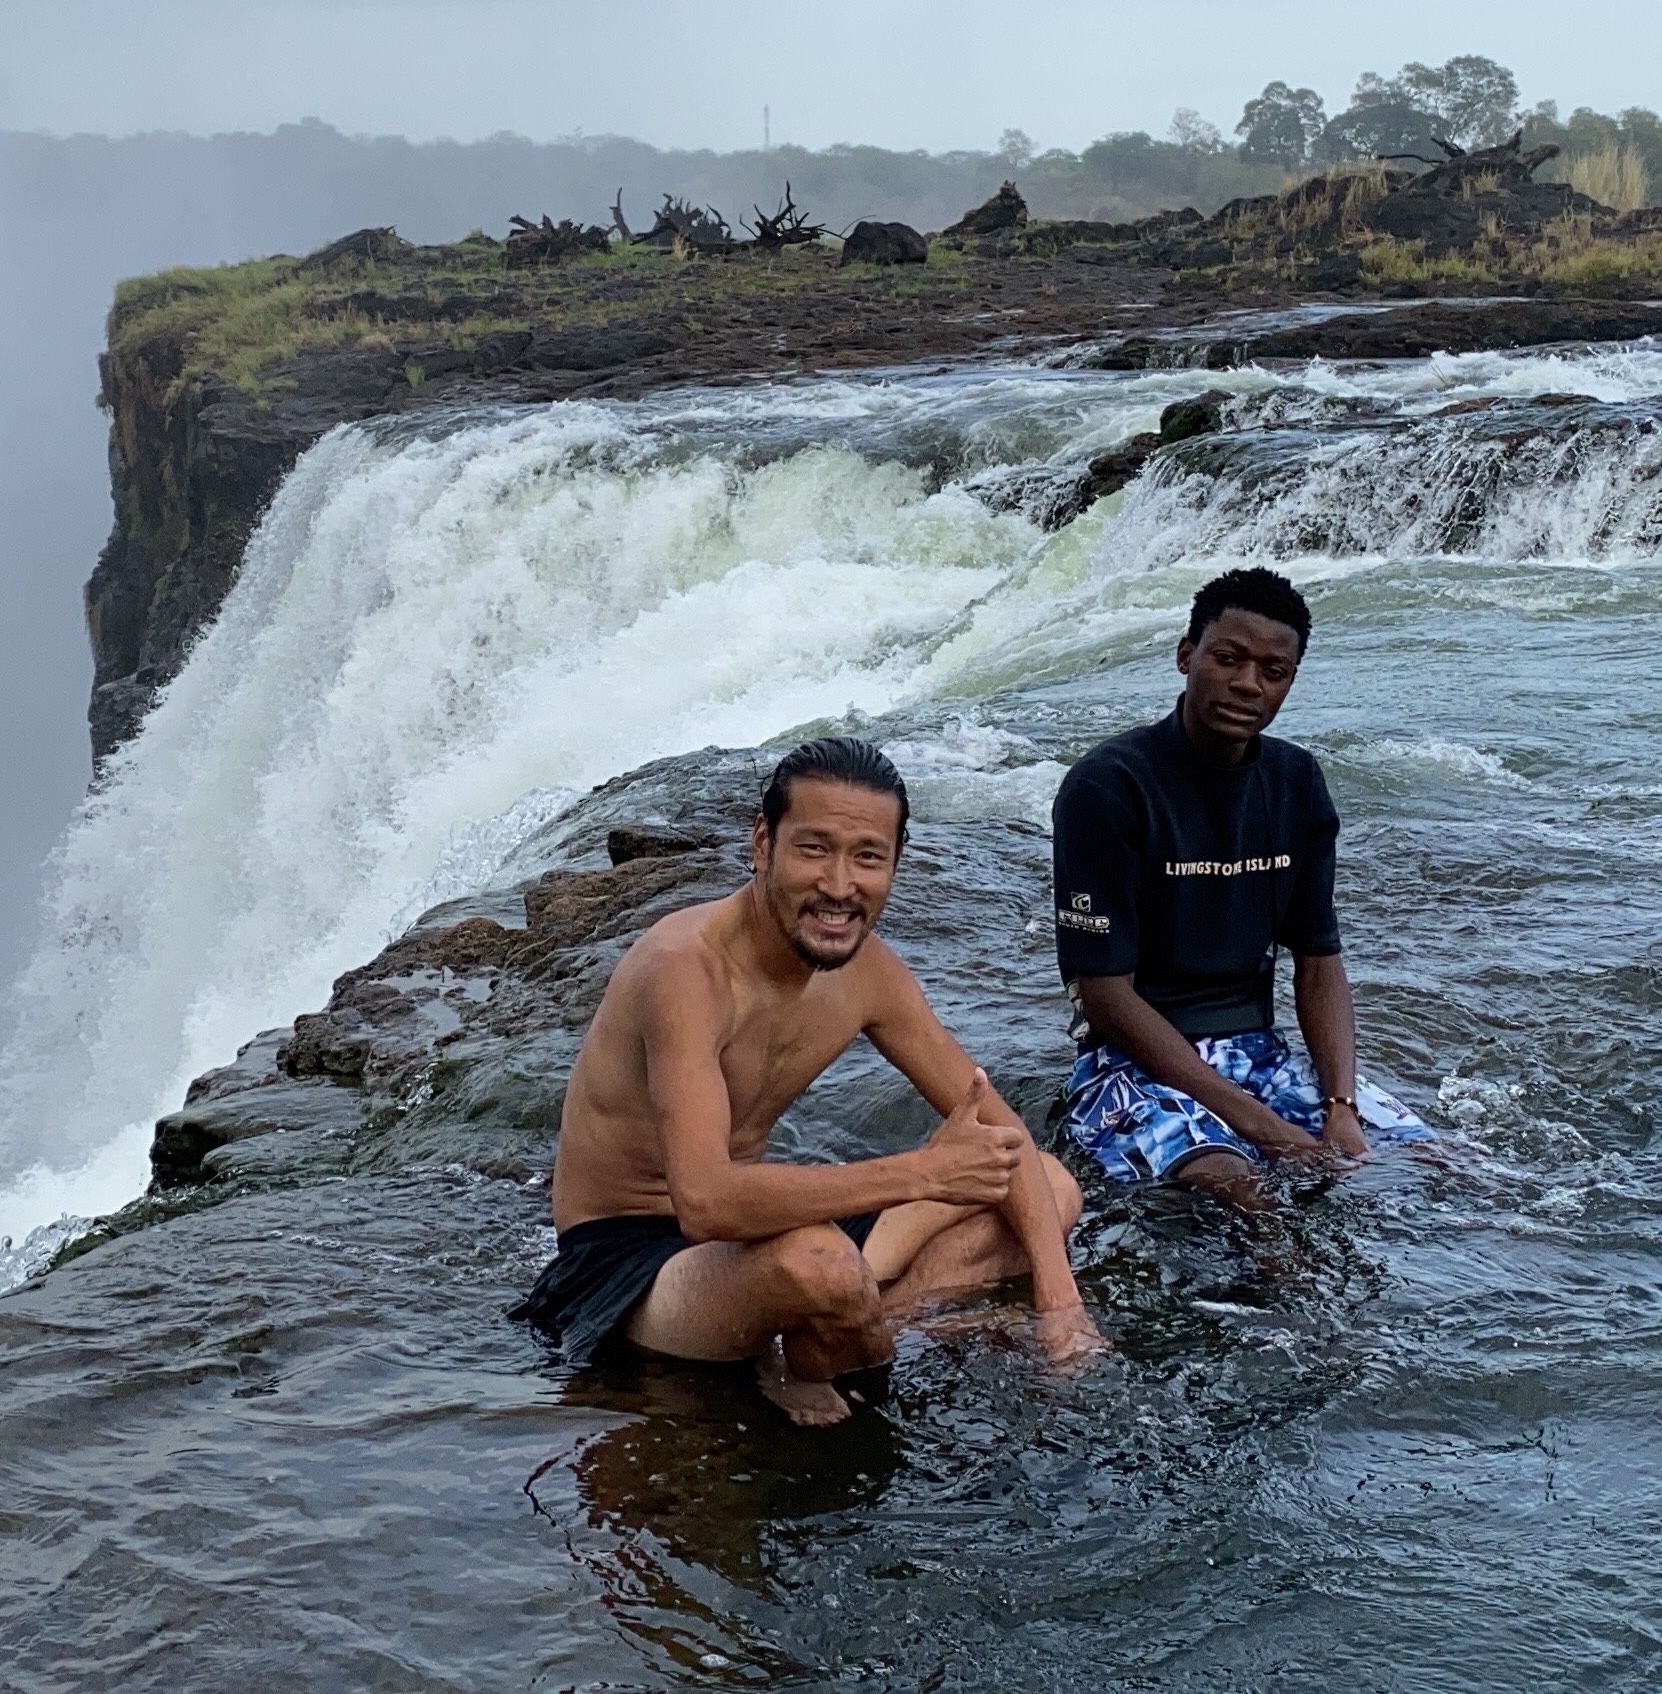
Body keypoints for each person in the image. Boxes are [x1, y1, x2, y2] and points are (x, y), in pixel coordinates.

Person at [515, 736, 1102, 1424]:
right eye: (814, 849)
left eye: (867, 858)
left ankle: (852, 1329)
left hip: (750, 1236)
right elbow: (704, 1203)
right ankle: (859, 1330)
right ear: (762, 843)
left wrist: (1061, 1306)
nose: (839, 885)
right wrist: (924, 1173)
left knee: (1051, 1186)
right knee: (819, 1263)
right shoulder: (684, 970)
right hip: (631, 1263)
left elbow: (1002, 1138)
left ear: (895, 864)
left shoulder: (870, 974)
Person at [1053, 566, 1433, 1208]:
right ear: (1186, 654)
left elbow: (1318, 962)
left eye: (1272, 671)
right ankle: (1281, 1311)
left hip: (1260, 1052)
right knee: (1244, 1195)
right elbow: (1105, 997)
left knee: (1442, 1166)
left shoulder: (1295, 782)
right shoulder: (1107, 787)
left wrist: (1339, 1107)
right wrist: (1264, 1128)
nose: (1247, 684)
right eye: (1227, 658)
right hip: (1129, 1064)